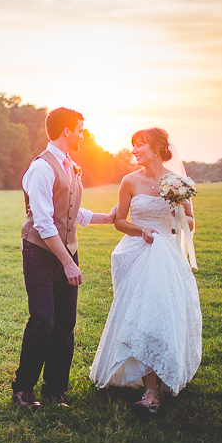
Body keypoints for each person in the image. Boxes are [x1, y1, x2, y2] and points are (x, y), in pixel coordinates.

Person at [89, 127, 202, 414]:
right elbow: (120, 221)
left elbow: (189, 222)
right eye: (133, 145)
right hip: (136, 253)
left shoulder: (177, 182)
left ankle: (154, 388)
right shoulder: (129, 181)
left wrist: (177, 216)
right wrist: (143, 230)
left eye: (139, 145)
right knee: (139, 316)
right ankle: (147, 384)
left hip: (166, 257)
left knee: (159, 314)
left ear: (156, 148)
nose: (134, 150)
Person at [12, 108, 117, 409]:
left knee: (65, 324)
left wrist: (105, 218)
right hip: (40, 253)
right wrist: (68, 262)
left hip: (67, 250)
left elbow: (70, 213)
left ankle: (55, 391)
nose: (83, 135)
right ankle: (23, 388)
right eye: (80, 129)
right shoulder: (41, 169)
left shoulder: (70, 165)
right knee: (43, 319)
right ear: (66, 131)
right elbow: (44, 222)